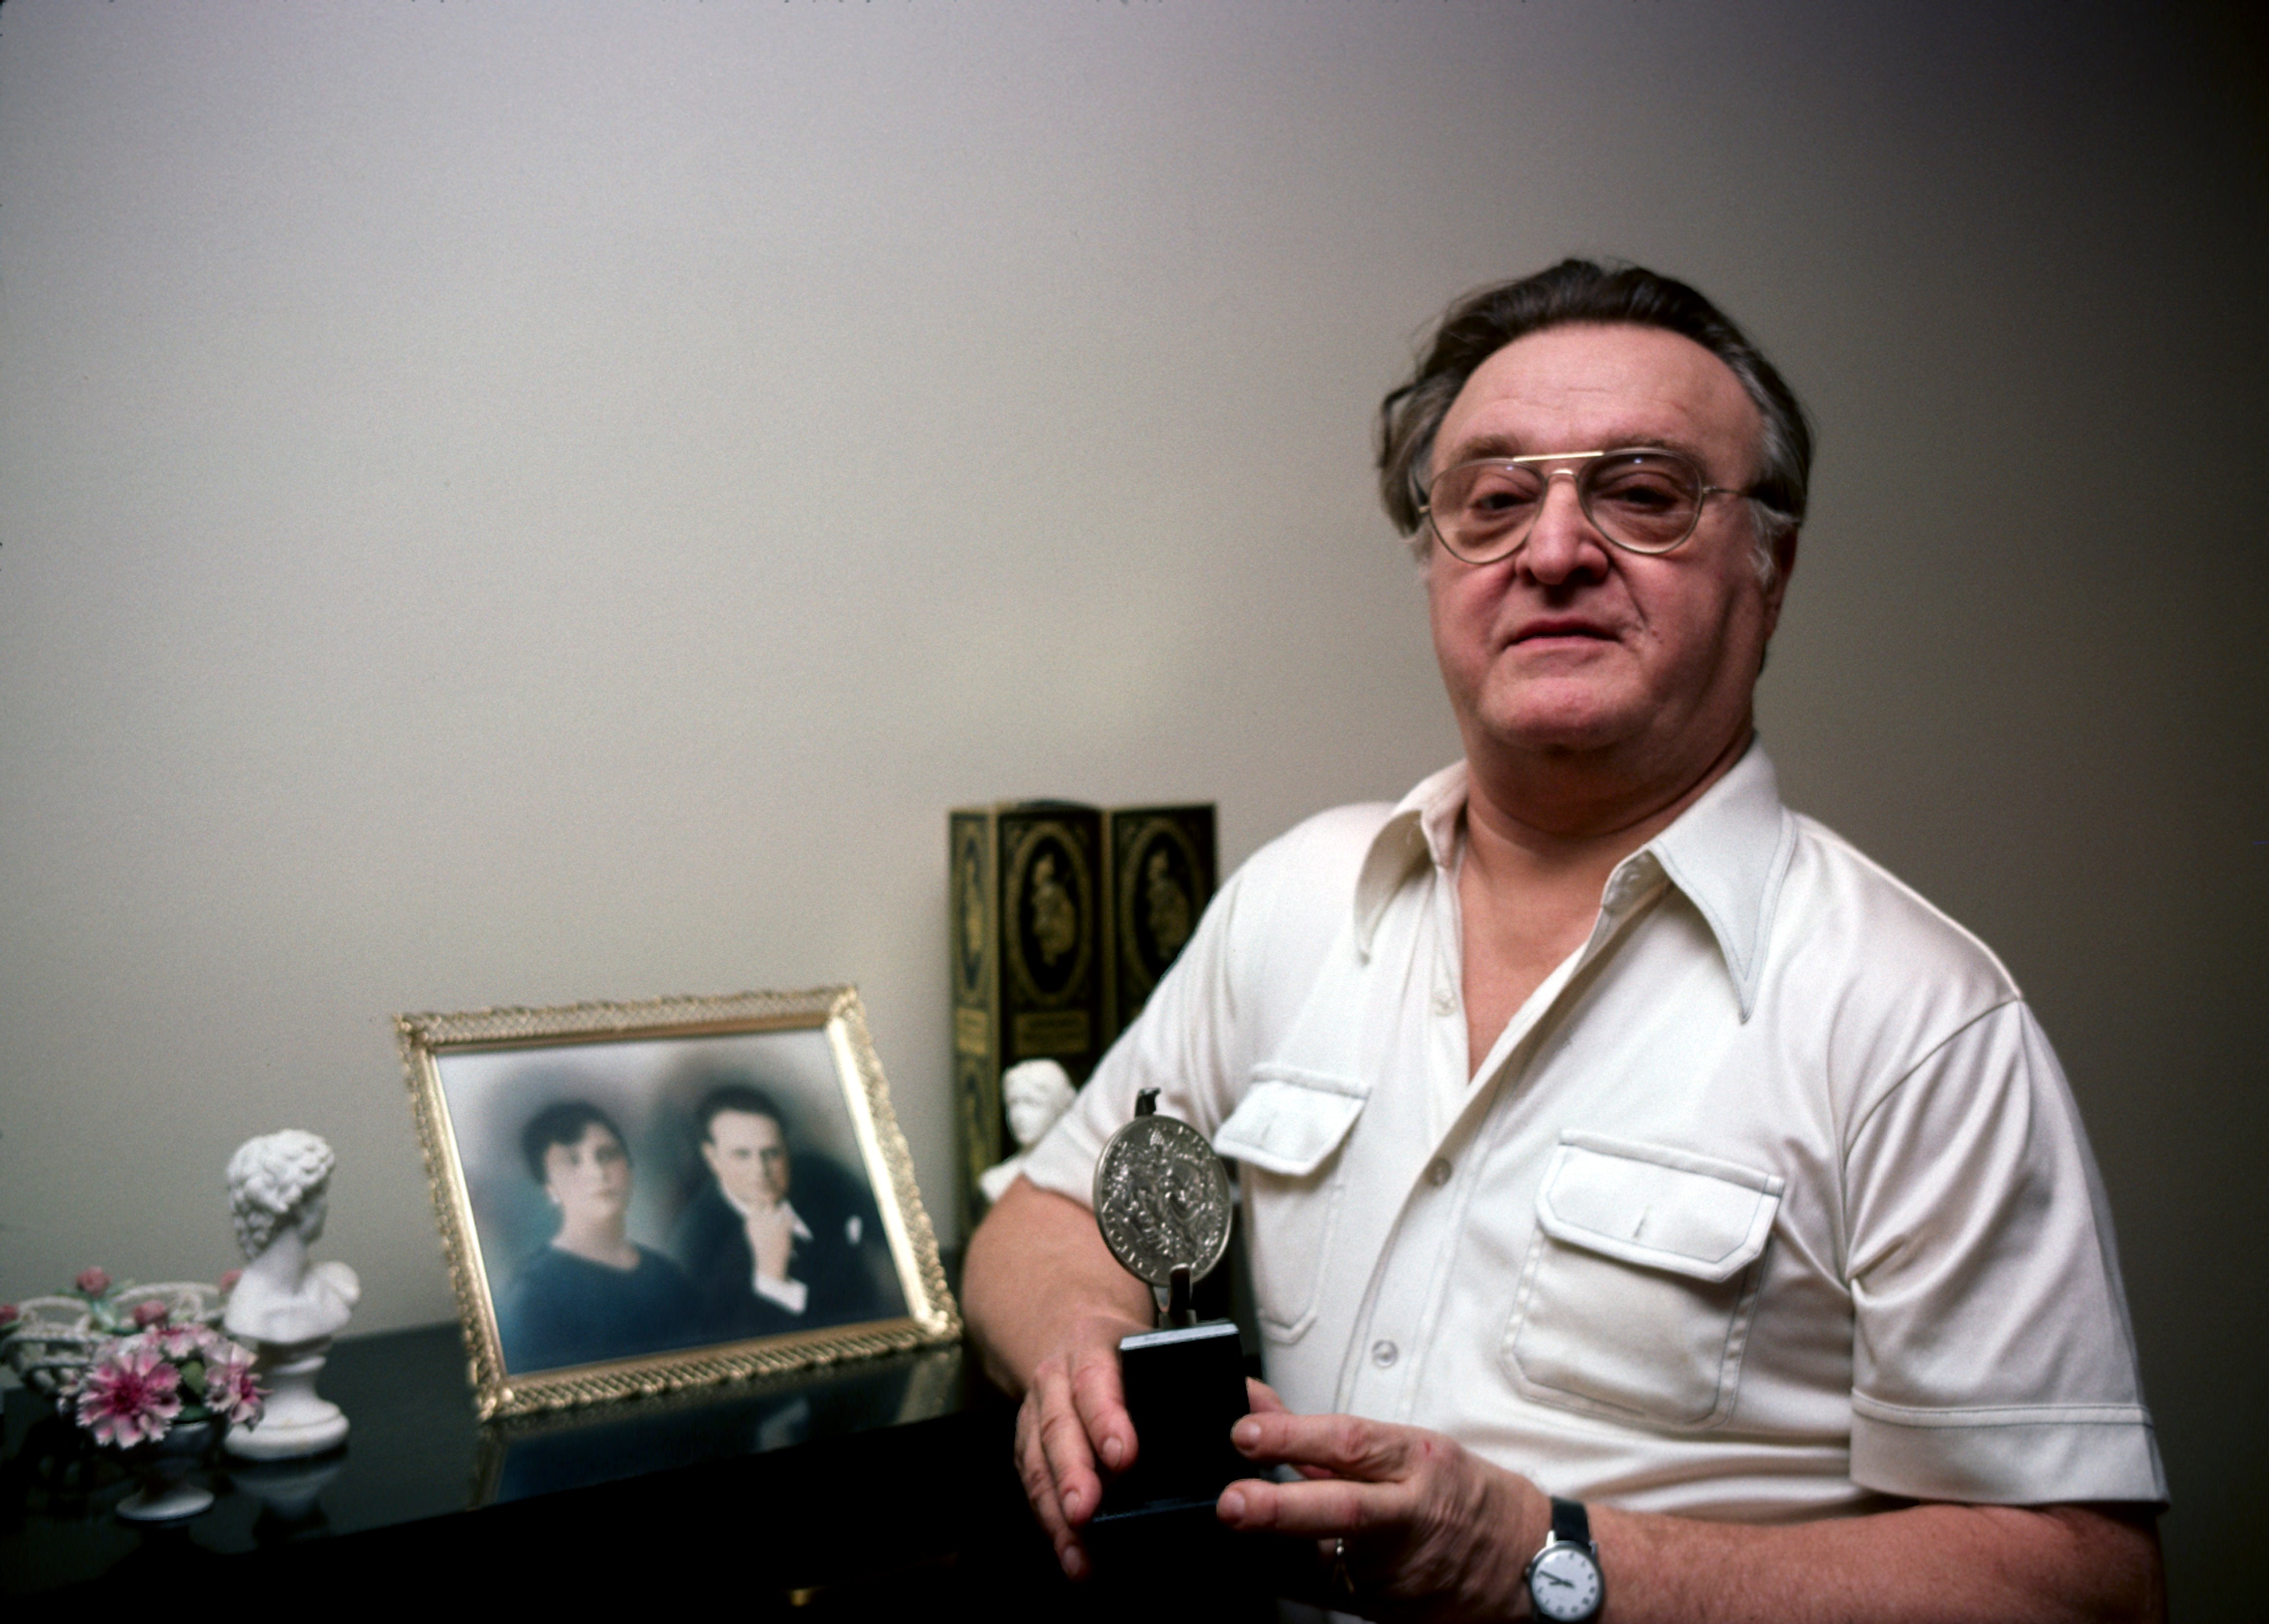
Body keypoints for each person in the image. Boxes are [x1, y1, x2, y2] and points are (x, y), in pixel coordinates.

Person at [963, 259, 2168, 1621]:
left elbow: (2083, 1585)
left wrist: (1543, 1559)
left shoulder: (1913, 1019)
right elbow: (1045, 1215)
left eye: (1641, 493)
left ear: (1766, 570)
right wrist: (1078, 1346)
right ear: (1437, 564)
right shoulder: (1295, 902)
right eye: (1492, 501)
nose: (1551, 551)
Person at [671, 1080, 903, 1340]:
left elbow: (893, 1245)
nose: (761, 1170)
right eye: (742, 1155)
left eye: (772, 1153)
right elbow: (730, 1348)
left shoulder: (824, 1178)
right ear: (712, 1158)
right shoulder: (698, 1242)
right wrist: (771, 1277)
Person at [495, 1101, 702, 1373]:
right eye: (573, 1161)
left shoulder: (667, 1276)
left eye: (607, 1155)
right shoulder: (536, 1293)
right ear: (549, 1188)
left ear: (628, 1169)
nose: (598, 1173)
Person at [222, 1128, 360, 1348]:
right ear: (298, 1207)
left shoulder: (340, 1285)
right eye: (322, 1193)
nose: (327, 1205)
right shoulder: (252, 1313)